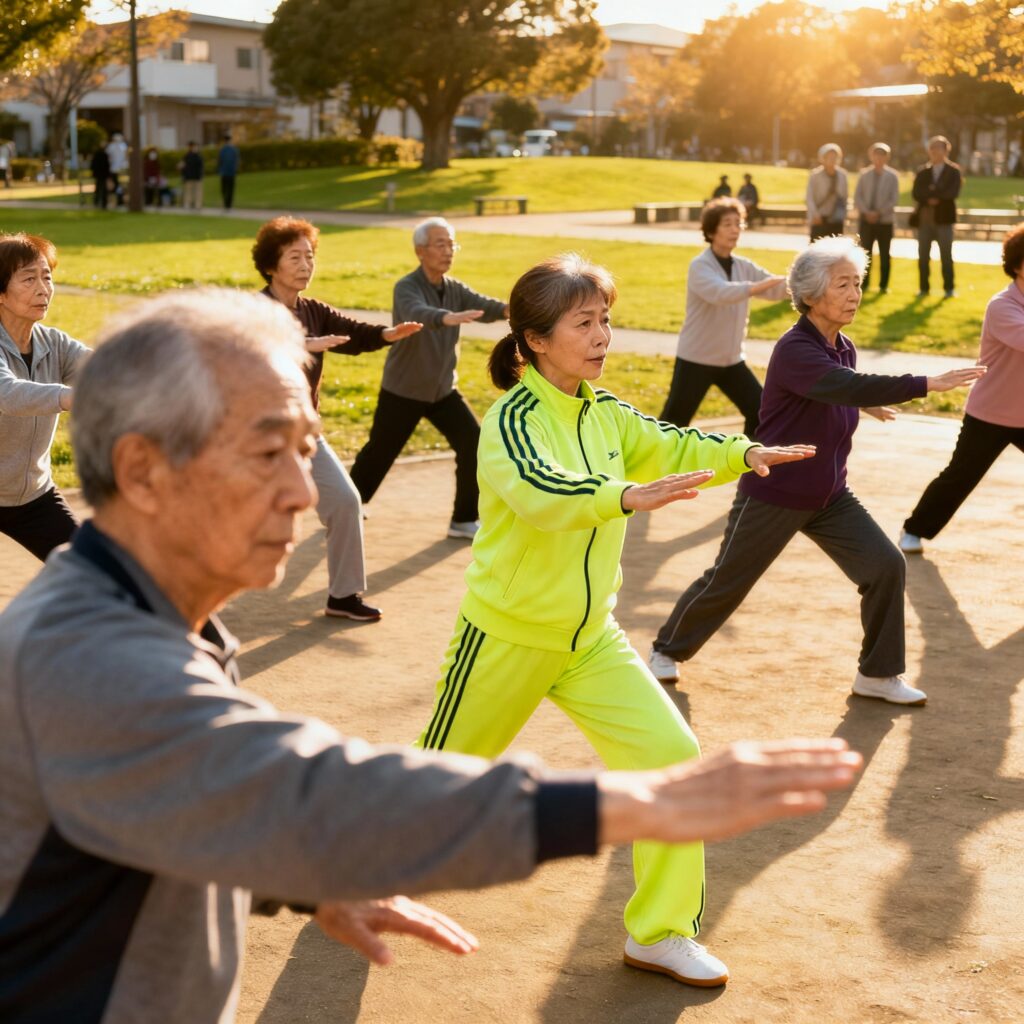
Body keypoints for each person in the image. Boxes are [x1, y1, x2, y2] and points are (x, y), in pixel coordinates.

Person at [0, 287, 863, 1023]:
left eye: (307, 449)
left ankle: (661, 926)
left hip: (584, 634)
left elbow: (182, 814)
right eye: (268, 453)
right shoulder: (93, 662)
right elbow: (312, 795)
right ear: (144, 471)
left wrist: (308, 882)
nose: (304, 493)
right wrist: (640, 803)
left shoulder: (154, 619)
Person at [415, 254, 817, 988]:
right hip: (505, 635)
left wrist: (745, 452)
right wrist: (625, 497)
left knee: (672, 755)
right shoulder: (511, 421)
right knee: (435, 783)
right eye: (584, 323)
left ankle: (660, 933)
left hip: (590, 640)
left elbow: (675, 443)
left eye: (605, 319)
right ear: (535, 340)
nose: (603, 335)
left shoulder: (604, 412)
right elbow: (546, 493)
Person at [648, 237, 985, 705]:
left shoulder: (841, 345)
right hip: (776, 491)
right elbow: (837, 383)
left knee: (886, 565)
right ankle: (665, 651)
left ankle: (878, 674)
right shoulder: (794, 348)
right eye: (842, 284)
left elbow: (836, 389)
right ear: (810, 294)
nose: (854, 294)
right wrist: (923, 384)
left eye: (858, 283)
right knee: (728, 579)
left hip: (829, 496)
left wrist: (867, 405)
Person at [253, 215, 422, 620]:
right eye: (295, 257)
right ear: (271, 265)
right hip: (256, 438)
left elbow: (351, 332)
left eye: (310, 256)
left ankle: (343, 597)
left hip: (302, 433)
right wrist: (304, 343)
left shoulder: (313, 310)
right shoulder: (256, 310)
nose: (305, 264)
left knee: (346, 501)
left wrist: (387, 335)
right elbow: (253, 348)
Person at [350, 217, 508, 539]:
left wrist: (513, 309)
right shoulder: (406, 287)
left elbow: (485, 307)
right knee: (379, 452)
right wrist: (447, 318)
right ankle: (348, 505)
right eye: (441, 244)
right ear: (420, 251)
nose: (448, 251)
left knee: (473, 443)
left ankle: (463, 519)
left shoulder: (455, 288)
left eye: (451, 244)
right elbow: (418, 313)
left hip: (442, 392)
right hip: (403, 390)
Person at [900, 224, 1023, 554]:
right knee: (960, 477)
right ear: (1018, 265)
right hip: (991, 413)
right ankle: (914, 530)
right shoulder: (1002, 306)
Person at [660, 198, 788, 439]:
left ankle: (748, 468)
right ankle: (648, 471)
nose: (735, 229)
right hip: (696, 360)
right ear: (711, 230)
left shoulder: (742, 265)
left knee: (760, 412)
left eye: (738, 224)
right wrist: (757, 287)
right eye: (727, 224)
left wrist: (806, 283)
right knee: (673, 424)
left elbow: (775, 289)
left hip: (731, 362)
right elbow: (720, 293)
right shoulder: (700, 266)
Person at [0, 233, 88, 560]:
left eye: (47, 277)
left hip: (33, 497)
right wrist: (70, 398)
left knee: (94, 574)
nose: (43, 289)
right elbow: (8, 394)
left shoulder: (54, 343)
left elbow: (105, 368)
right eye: (29, 279)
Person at [911, 135, 962, 298]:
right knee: (923, 255)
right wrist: (931, 196)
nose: (934, 152)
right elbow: (917, 193)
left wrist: (934, 194)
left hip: (944, 219)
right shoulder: (923, 172)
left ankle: (949, 288)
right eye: (932, 148)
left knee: (946, 255)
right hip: (925, 219)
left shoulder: (954, 171)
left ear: (946, 150)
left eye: (938, 148)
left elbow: (952, 192)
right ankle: (923, 288)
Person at [853, 142, 900, 293]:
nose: (879, 158)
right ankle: (864, 284)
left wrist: (879, 212)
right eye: (876, 154)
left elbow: (894, 199)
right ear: (871, 156)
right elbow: (858, 197)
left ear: (887, 157)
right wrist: (867, 212)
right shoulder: (864, 175)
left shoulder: (892, 176)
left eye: (882, 155)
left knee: (885, 254)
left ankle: (883, 285)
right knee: (865, 254)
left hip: (884, 221)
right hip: (866, 221)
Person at [806, 143, 848, 241]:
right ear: (823, 158)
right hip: (819, 218)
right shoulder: (815, 175)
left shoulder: (842, 175)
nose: (832, 159)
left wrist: (844, 215)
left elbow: (845, 198)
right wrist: (815, 215)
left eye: (835, 157)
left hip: (836, 219)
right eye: (829, 157)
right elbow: (809, 197)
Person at [217, 131, 240, 210]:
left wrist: (220, 170)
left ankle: (225, 203)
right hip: (231, 172)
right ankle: (229, 204)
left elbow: (220, 161)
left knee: (224, 188)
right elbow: (236, 161)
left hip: (224, 172)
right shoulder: (234, 150)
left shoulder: (222, 150)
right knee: (230, 188)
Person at [106, 131, 128, 207]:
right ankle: (117, 201)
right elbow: (109, 158)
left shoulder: (122, 146)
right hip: (115, 169)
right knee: (116, 186)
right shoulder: (111, 146)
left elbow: (125, 156)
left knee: (121, 186)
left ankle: (120, 200)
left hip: (121, 169)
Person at [180, 139, 204, 210]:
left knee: (197, 192)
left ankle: (198, 205)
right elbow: (182, 165)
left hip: (197, 176)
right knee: (188, 192)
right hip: (189, 176)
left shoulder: (198, 156)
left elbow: (201, 166)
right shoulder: (186, 156)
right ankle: (187, 204)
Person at [89, 145, 110, 210]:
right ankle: (103, 202)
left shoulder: (96, 155)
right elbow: (107, 165)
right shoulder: (105, 155)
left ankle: (97, 201)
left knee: (98, 188)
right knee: (103, 188)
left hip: (98, 174)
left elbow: (92, 165)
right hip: (103, 174)